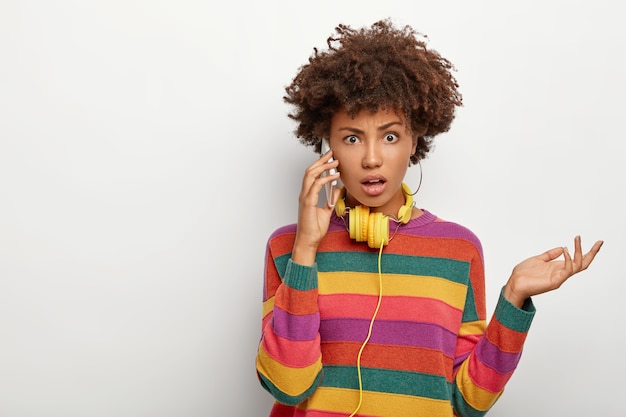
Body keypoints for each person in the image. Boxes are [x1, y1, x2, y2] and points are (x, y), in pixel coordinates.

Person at [255, 19, 603, 417]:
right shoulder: (287, 247)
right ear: (328, 146)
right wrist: (305, 252)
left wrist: (514, 299)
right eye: (352, 138)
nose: (371, 158)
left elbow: (469, 402)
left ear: (414, 140)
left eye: (390, 136)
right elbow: (288, 385)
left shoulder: (457, 249)